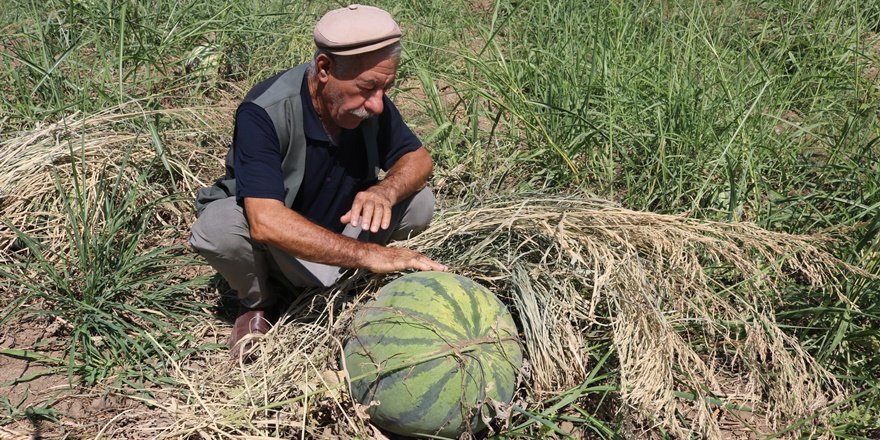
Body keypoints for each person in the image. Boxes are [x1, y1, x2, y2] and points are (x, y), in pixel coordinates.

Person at [189, 4, 447, 359]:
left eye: (385, 88)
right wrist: (370, 254)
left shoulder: (372, 102)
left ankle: (351, 283)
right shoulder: (264, 112)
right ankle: (259, 302)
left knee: (419, 202)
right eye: (367, 88)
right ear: (325, 68)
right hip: (283, 251)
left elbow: (418, 159)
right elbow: (266, 222)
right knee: (218, 227)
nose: (376, 104)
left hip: (341, 232)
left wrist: (384, 191)